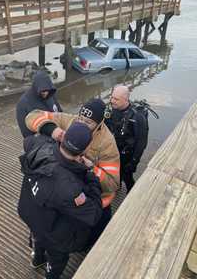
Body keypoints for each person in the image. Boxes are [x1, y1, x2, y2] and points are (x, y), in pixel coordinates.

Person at [25, 98, 120, 251]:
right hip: (71, 194)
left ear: (100, 124)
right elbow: (31, 116)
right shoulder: (70, 120)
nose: (81, 124)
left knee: (95, 234)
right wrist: (54, 131)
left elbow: (113, 184)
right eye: (80, 118)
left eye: (88, 122)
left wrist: (90, 167)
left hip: (96, 201)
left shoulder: (107, 143)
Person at [18, 122, 103, 279]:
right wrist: (91, 175)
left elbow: (28, 141)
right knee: (57, 258)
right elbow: (94, 214)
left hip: (31, 213)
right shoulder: (70, 188)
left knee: (37, 236)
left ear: (63, 137)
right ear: (84, 150)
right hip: (53, 232)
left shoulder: (40, 145)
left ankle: (37, 260)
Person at [105, 85, 148, 193]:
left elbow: (141, 143)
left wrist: (134, 162)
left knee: (127, 177)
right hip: (113, 151)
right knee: (114, 174)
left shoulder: (137, 117)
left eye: (116, 99)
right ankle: (116, 187)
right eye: (112, 97)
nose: (112, 101)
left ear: (125, 100)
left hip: (127, 155)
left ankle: (131, 193)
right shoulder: (111, 110)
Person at [16, 70, 62, 138]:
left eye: (47, 90)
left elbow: (60, 113)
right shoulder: (23, 104)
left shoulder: (50, 95)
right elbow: (26, 134)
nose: (46, 93)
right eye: (43, 91)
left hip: (57, 135)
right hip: (40, 140)